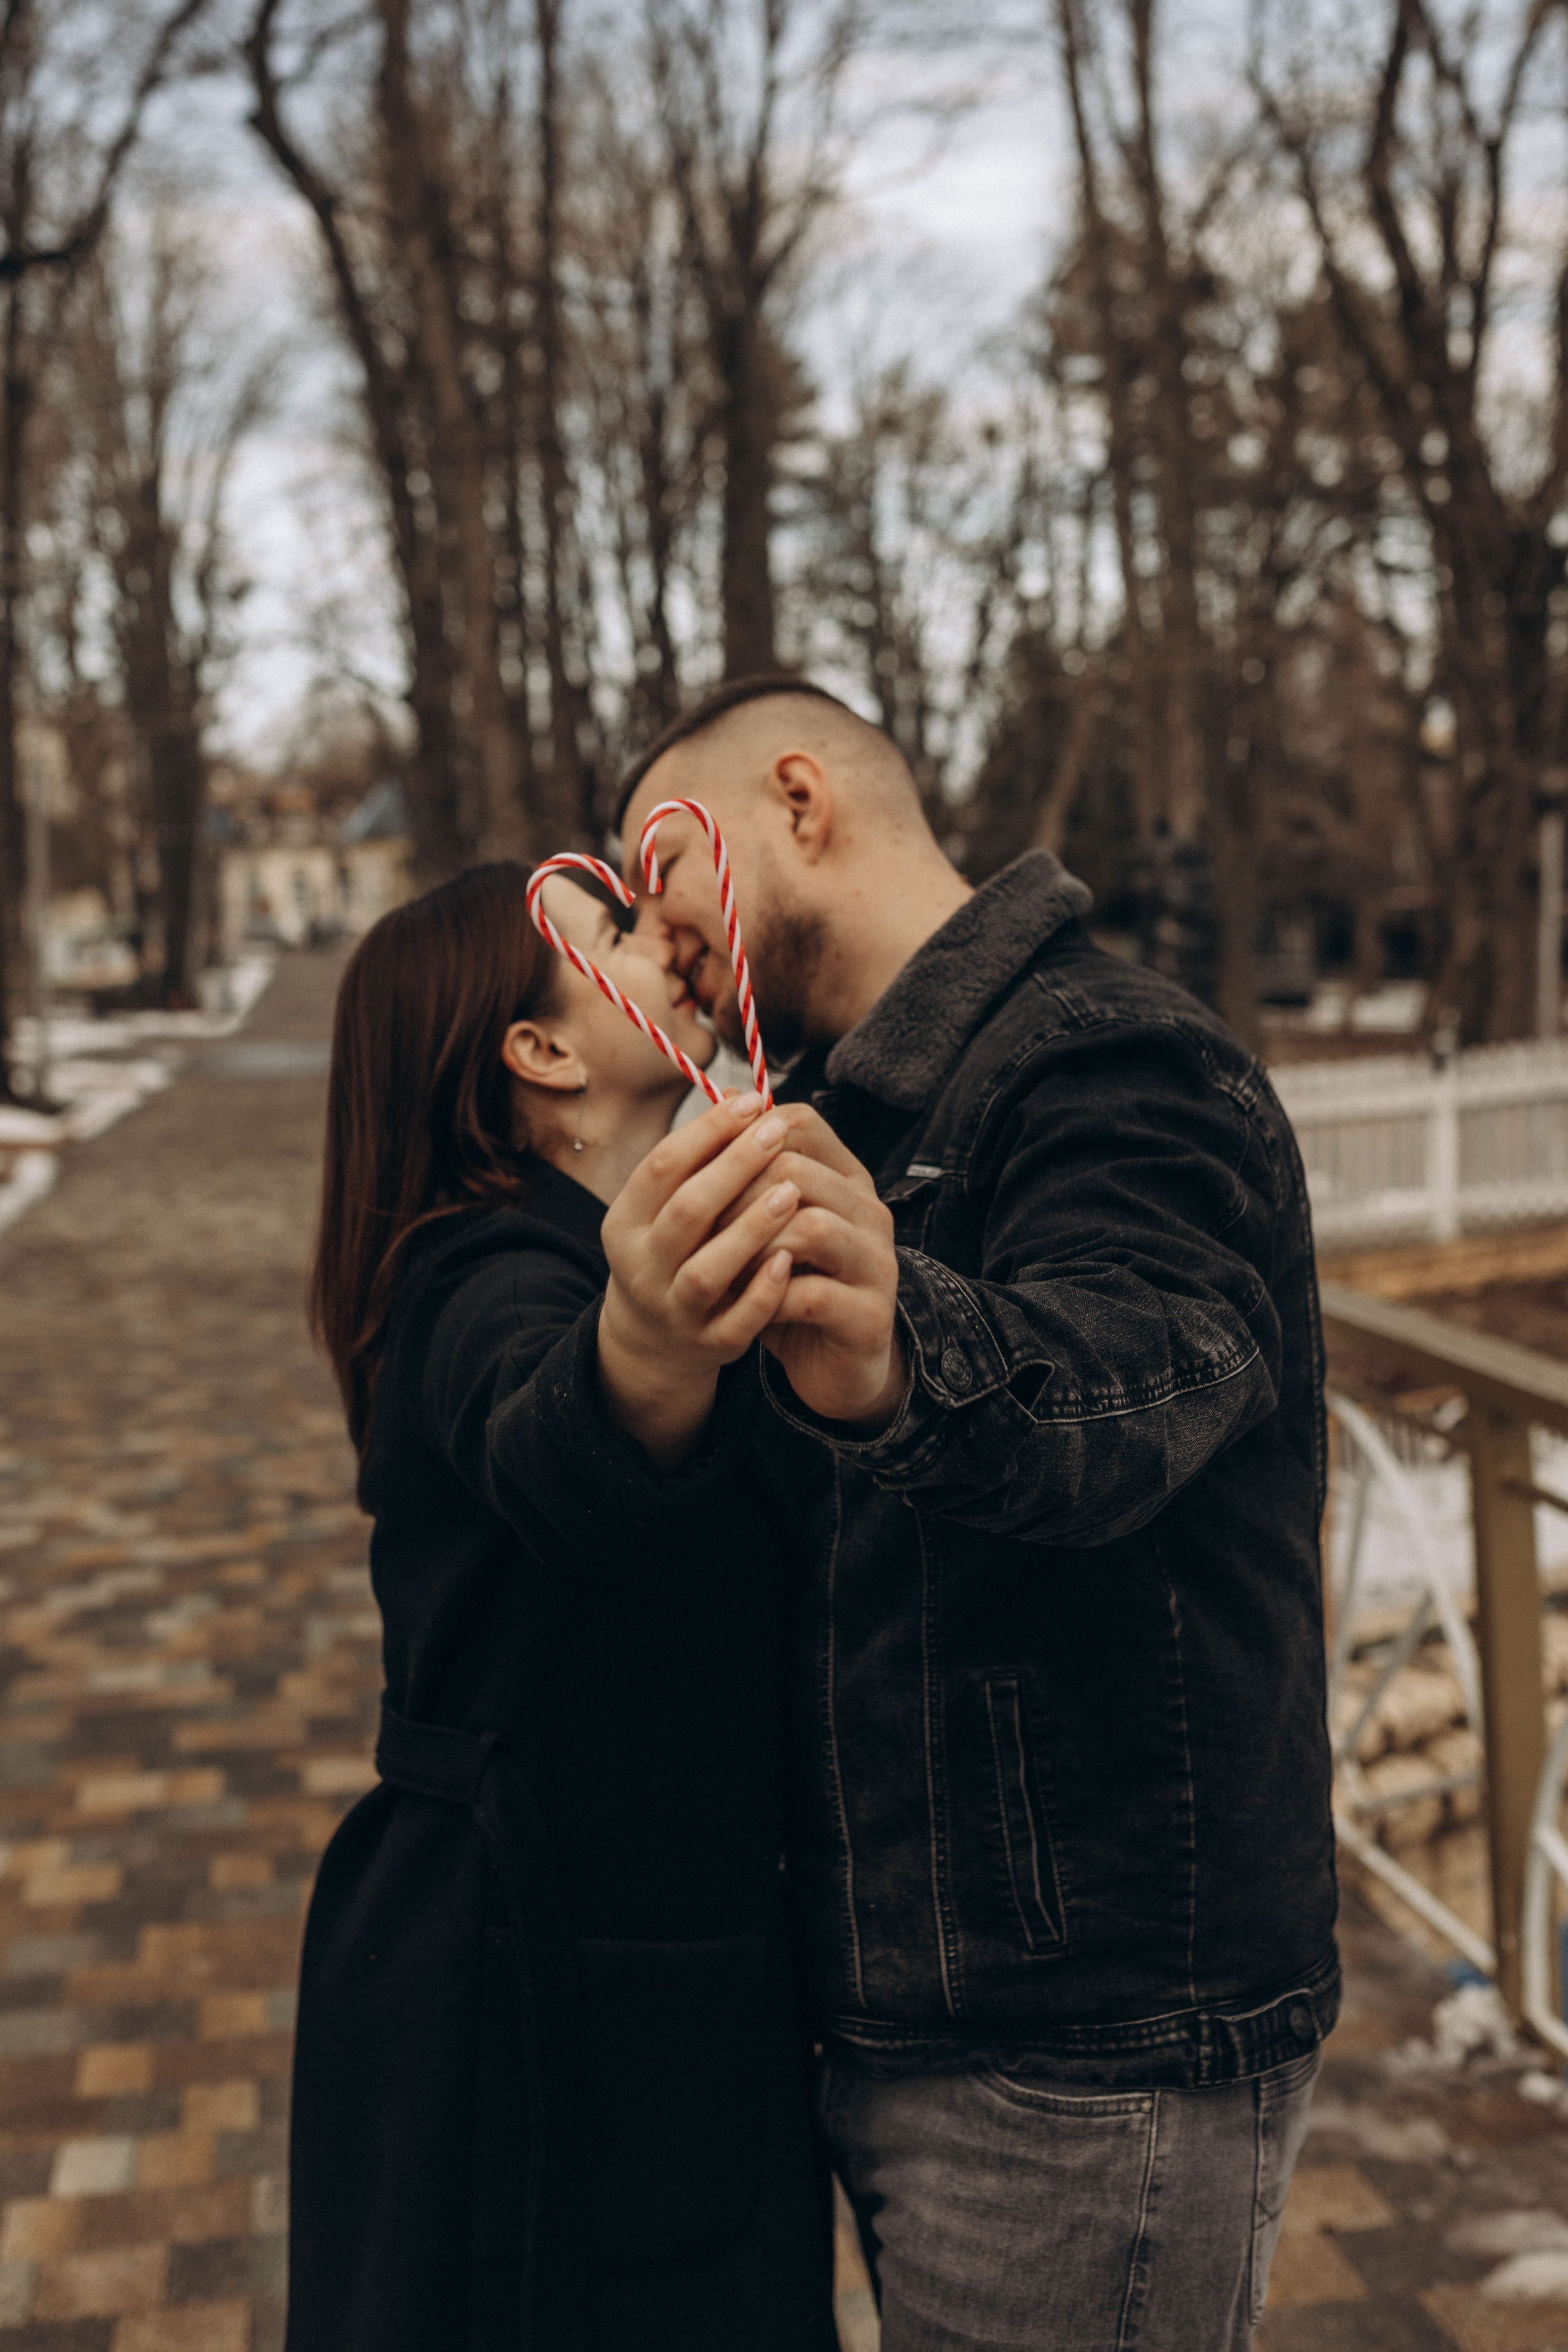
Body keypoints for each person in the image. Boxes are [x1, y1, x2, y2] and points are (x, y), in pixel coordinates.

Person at [617, 677, 1338, 2352]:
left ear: (801, 802)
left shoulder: (1112, 1061)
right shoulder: (842, 1108)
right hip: (908, 2010)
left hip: (1088, 2038)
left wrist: (892, 1350)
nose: (654, 944)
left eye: (664, 877)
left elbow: (1147, 1375)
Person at [292, 860, 839, 2352]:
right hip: (523, 1999)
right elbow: (551, 1435)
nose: (660, 936)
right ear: (538, 1051)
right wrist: (649, 1354)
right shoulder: (473, 1274)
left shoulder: (552, 1241)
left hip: (611, 1982)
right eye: (609, 932)